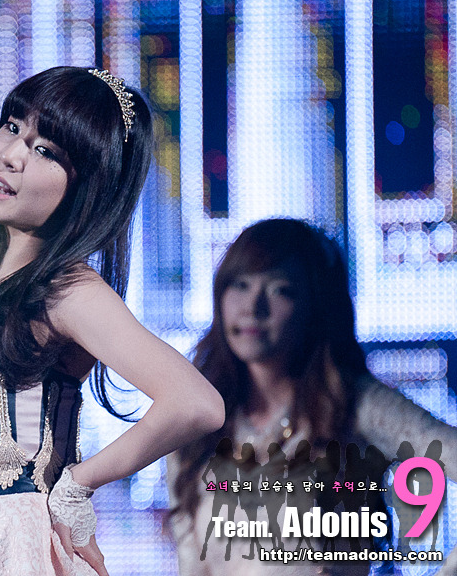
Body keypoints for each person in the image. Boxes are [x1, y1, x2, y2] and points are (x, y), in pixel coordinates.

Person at [0, 66, 225, 576]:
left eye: (45, 150)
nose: (10, 155)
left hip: (12, 550)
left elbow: (196, 403)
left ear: (86, 188)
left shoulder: (66, 293)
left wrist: (78, 484)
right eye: (12, 126)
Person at [168, 218, 457, 575]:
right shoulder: (199, 424)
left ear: (314, 306)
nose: (252, 307)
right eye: (240, 284)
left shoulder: (353, 403)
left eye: (280, 289)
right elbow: (191, 564)